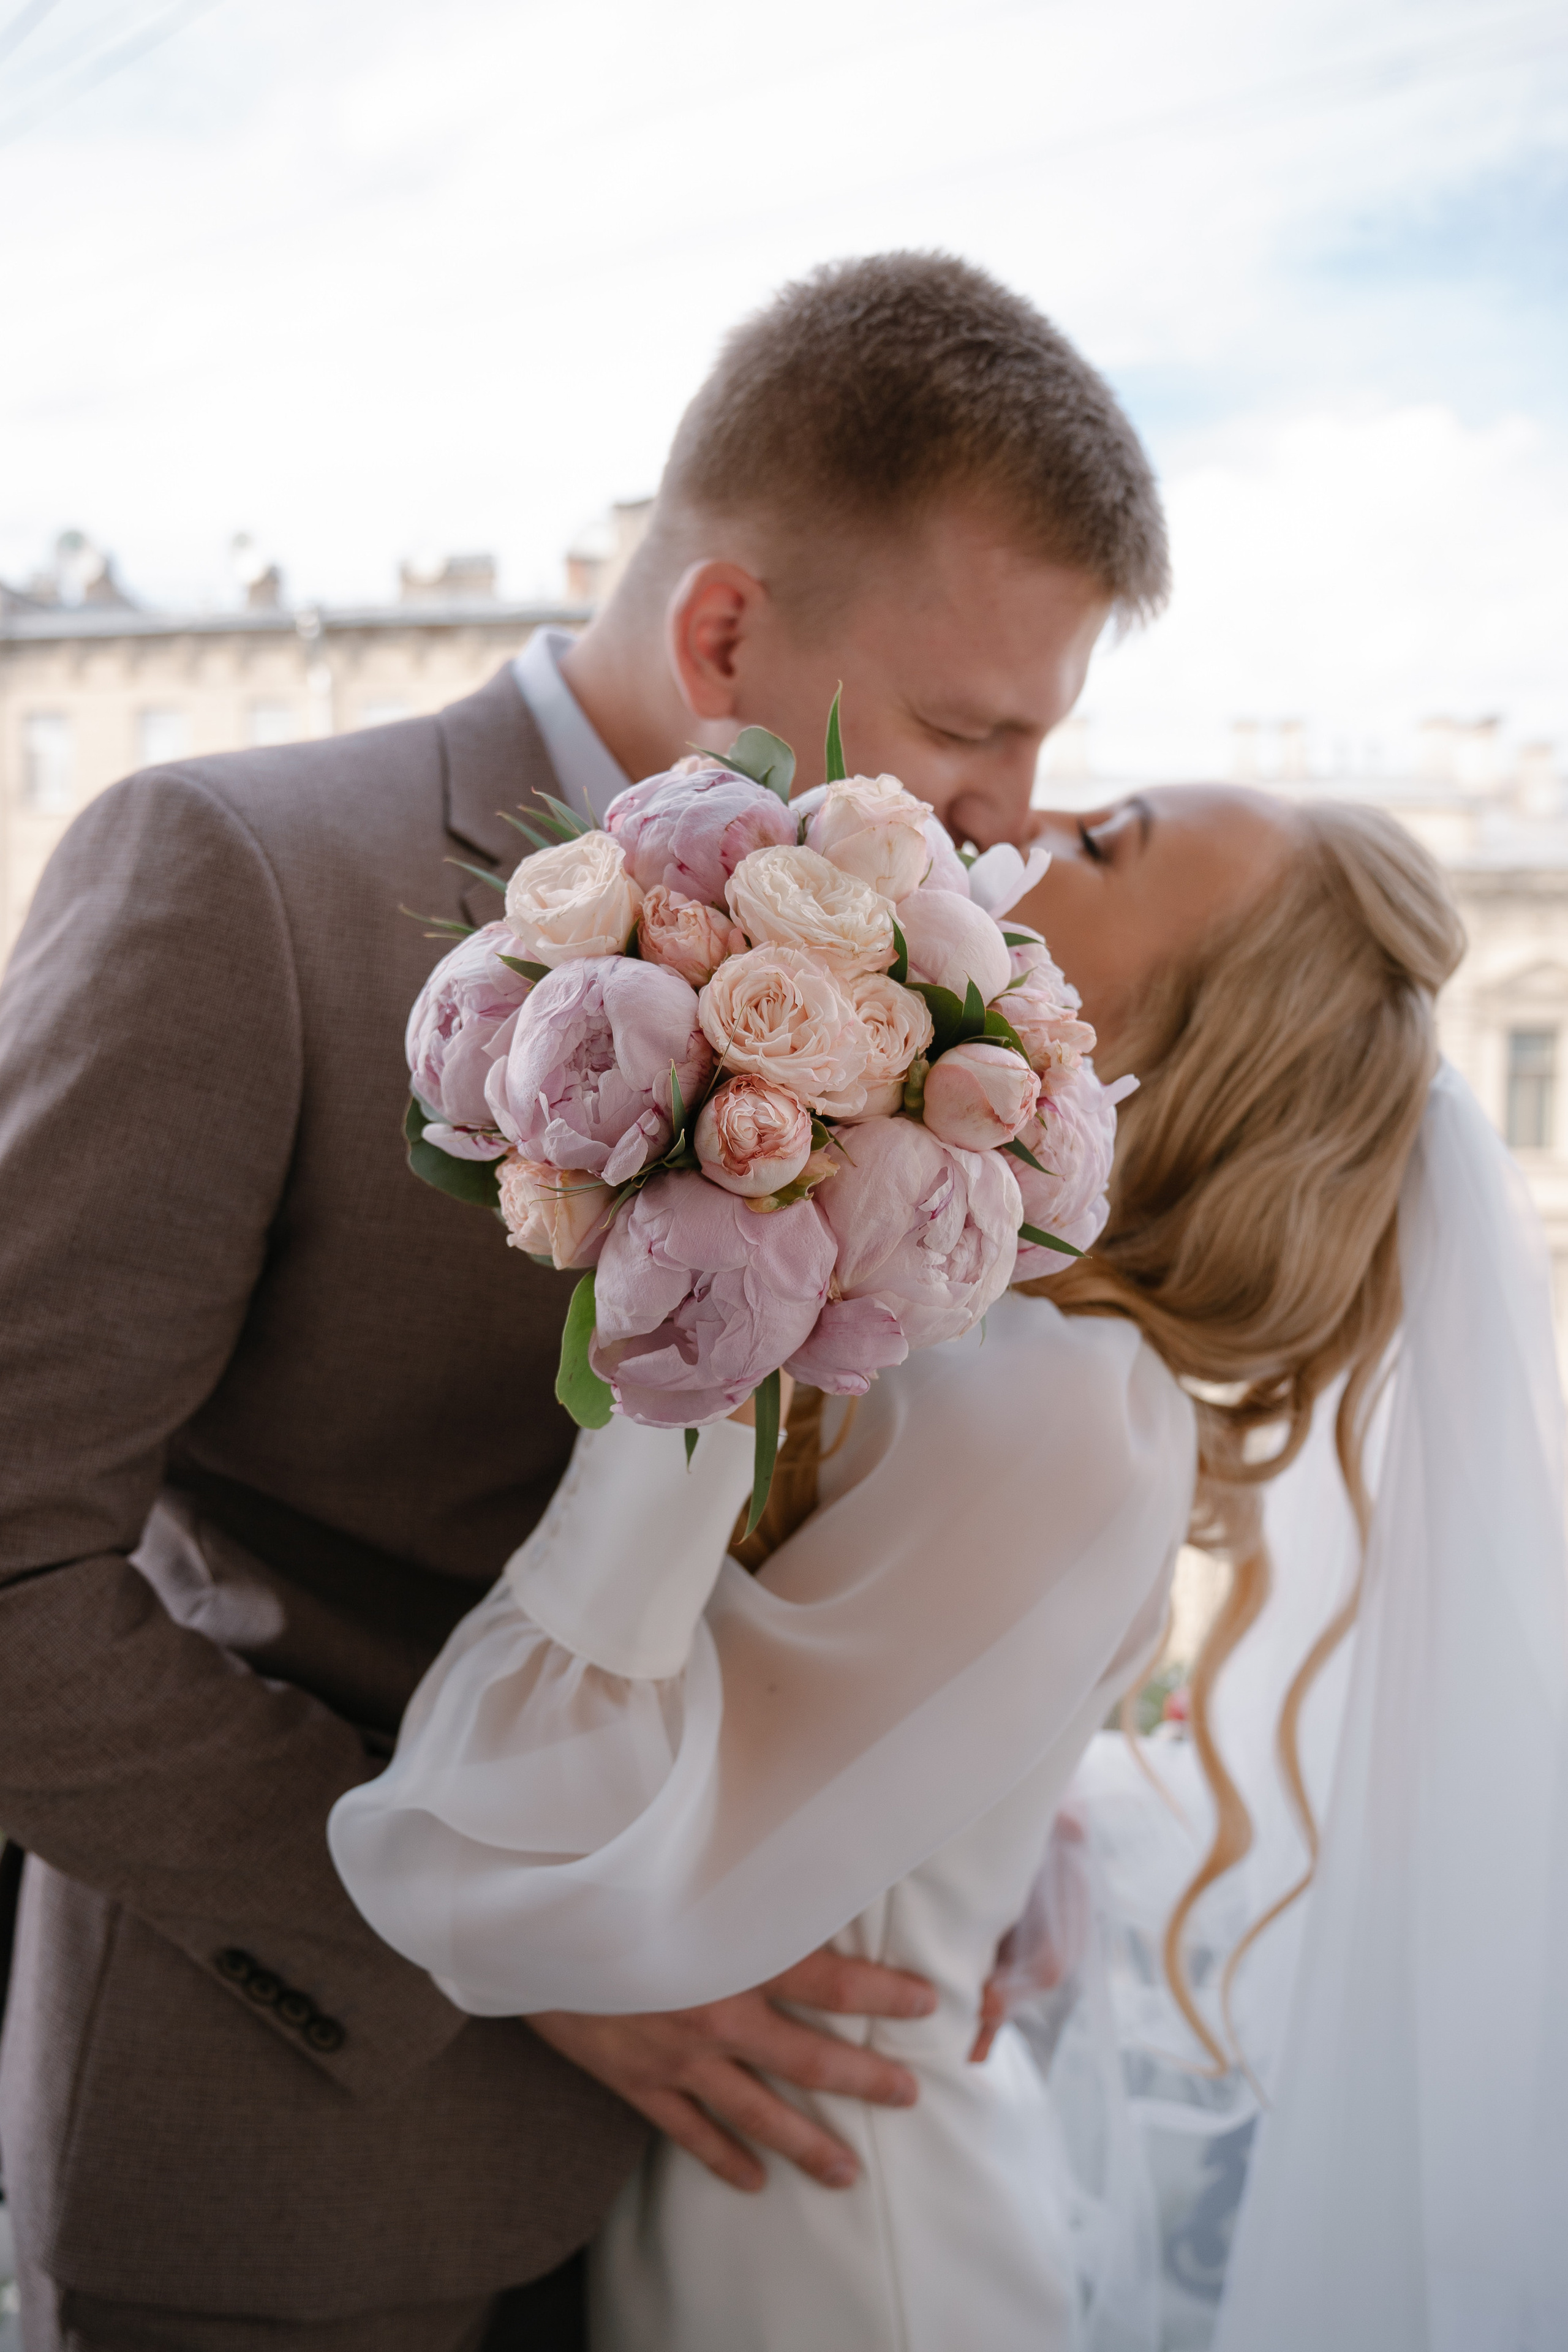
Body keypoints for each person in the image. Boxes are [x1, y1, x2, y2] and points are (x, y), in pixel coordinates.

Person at [0, 253, 1167, 2350]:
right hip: (309, 2180)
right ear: (725, 626)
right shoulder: (235, 877)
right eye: (967, 727)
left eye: (1044, 740)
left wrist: (979, 1801)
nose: (1007, 815)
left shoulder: (928, 969)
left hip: (737, 2228)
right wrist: (514, 1947)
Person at [330, 788, 1515, 2350]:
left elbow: (482, 1828)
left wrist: (702, 1278)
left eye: (1107, 844)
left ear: (1146, 1046)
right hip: (777, 2184)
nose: (1039, 815)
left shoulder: (1051, 1400)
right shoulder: (1023, 1366)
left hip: (845, 2254)